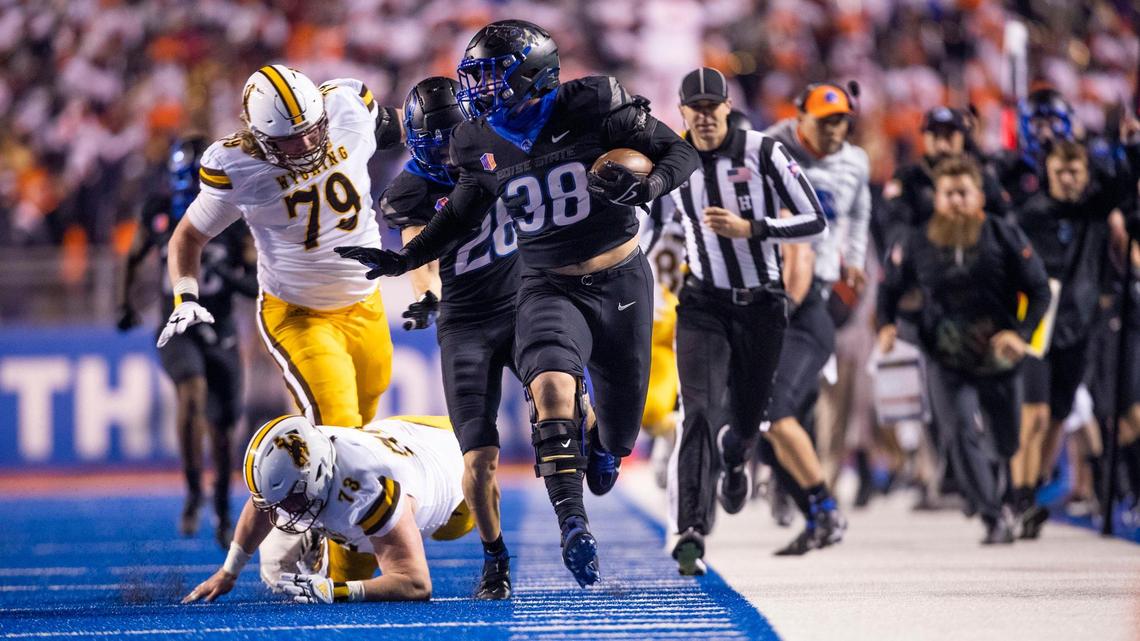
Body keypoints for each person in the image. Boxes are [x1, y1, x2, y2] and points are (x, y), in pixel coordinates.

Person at [338, 20, 698, 588]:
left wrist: (650, 186)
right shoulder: (475, 142)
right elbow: (456, 216)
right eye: (473, 74)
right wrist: (405, 264)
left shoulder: (592, 104)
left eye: (489, 72)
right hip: (546, 285)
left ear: (532, 72)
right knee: (551, 391)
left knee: (621, 430)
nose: (478, 87)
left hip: (621, 278)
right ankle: (571, 524)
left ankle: (605, 446)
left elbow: (680, 152)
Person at [161, 64, 405, 583]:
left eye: (314, 130)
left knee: (364, 419)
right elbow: (186, 238)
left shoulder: (343, 106)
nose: (309, 143)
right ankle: (343, 571)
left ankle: (308, 523)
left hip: (365, 301)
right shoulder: (239, 165)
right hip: (299, 314)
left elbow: (405, 128)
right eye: (293, 141)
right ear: (260, 138)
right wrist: (185, 294)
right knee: (341, 432)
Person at [645, 67, 827, 575]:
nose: (703, 117)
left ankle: (735, 457)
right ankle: (690, 530)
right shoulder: (671, 162)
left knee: (746, 423)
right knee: (696, 412)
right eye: (694, 108)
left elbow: (815, 218)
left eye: (712, 107)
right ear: (681, 113)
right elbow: (651, 230)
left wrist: (754, 228)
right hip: (703, 303)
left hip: (763, 303)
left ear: (727, 107)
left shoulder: (764, 152)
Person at [379, 76, 520, 599]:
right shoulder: (412, 191)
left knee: (565, 400)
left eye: (448, 135)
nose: (441, 147)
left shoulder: (498, 148)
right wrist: (430, 295)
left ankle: (596, 441)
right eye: (430, 138)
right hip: (465, 321)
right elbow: (420, 255)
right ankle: (495, 560)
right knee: (478, 461)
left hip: (524, 299)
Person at [878, 156, 1052, 544]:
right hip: (944, 355)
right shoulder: (917, 238)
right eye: (948, 193)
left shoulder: (1004, 234)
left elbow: (1039, 290)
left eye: (963, 193)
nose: (955, 201)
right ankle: (993, 516)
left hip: (998, 354)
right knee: (957, 432)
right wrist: (886, 325)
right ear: (936, 198)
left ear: (979, 197)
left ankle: (1003, 493)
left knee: (1006, 439)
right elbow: (888, 289)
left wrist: (1020, 335)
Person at [117, 135, 257, 547]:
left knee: (223, 429)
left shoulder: (237, 215)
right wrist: (126, 304)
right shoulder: (159, 210)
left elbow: (253, 282)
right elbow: (135, 254)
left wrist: (229, 276)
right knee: (191, 394)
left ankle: (220, 506)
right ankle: (194, 491)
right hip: (177, 326)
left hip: (223, 329)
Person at [182, 414, 474, 604]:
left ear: (318, 476)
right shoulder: (304, 455)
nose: (280, 511)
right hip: (396, 433)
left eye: (289, 502)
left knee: (461, 526)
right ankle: (319, 540)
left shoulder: (367, 490)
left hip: (451, 470)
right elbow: (263, 504)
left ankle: (320, 541)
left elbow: (416, 584)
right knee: (276, 570)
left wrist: (338, 591)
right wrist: (229, 571)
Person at [758, 81, 872, 555]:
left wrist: (855, 259)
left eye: (842, 120)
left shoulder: (855, 162)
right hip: (773, 294)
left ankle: (824, 509)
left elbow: (859, 213)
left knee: (778, 411)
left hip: (813, 300)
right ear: (799, 117)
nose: (836, 130)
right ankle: (811, 511)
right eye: (825, 121)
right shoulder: (770, 149)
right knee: (768, 430)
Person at [1011, 138, 1138, 538]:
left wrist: (1129, 144)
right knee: (1034, 412)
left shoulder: (1094, 210)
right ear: (1047, 172)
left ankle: (1035, 483)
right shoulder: (1031, 213)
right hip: (1038, 317)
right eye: (1060, 171)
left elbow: (1125, 181)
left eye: (1075, 171)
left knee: (1060, 415)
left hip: (1081, 321)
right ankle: (1021, 496)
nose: (1067, 179)